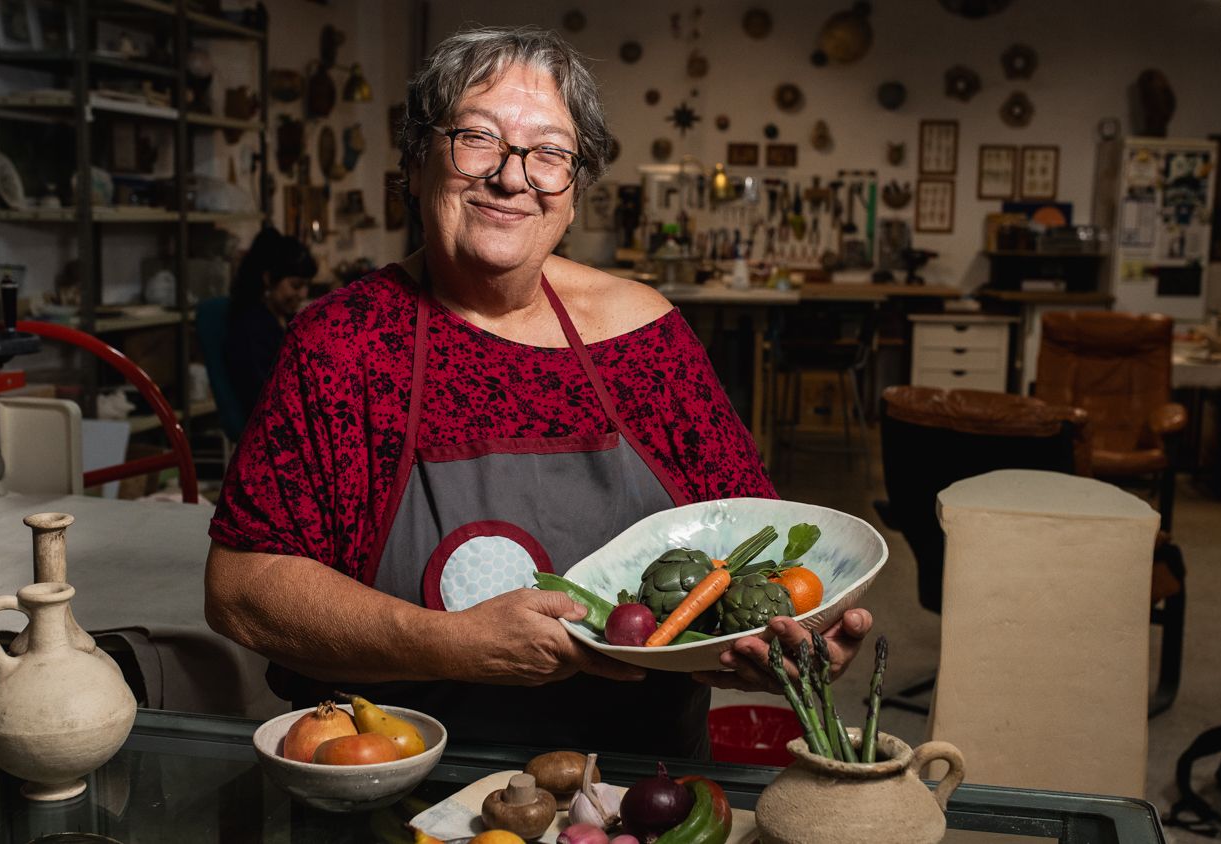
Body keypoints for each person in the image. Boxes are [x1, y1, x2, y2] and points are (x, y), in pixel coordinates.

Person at [205, 26, 872, 758]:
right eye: (478, 139)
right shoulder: (346, 344)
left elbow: (758, 554)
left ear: (575, 191)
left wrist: (775, 643)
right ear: (416, 162)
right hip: (398, 772)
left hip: (634, 791)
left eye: (550, 153)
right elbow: (242, 589)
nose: (513, 177)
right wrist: (448, 643)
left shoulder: (646, 340)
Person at [223, 227, 317, 412]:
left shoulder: (288, 319)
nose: (303, 294)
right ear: (268, 279)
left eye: (307, 286)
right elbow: (263, 398)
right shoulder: (249, 329)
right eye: (295, 285)